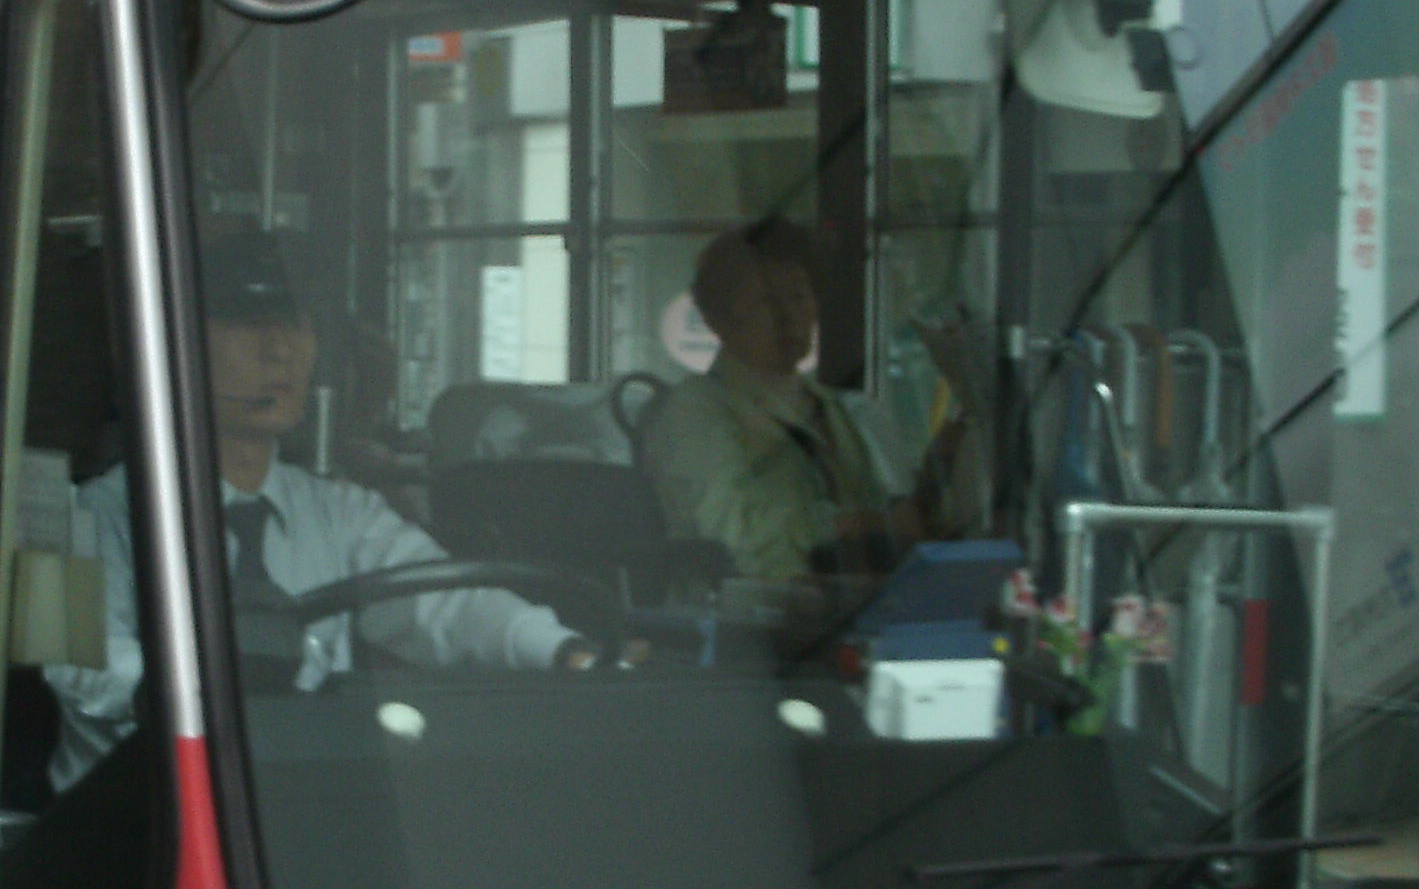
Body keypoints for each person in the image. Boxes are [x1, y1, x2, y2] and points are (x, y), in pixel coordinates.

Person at [46, 236, 593, 792]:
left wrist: (559, 649)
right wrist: (217, 689)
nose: (280, 350)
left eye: (295, 325)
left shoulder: (338, 512)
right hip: (143, 814)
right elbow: (87, 666)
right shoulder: (92, 516)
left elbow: (448, 606)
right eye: (246, 324)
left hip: (299, 804)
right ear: (176, 344)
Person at [640, 217, 908, 587]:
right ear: (719, 318)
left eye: (798, 296)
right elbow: (730, 539)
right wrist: (846, 526)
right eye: (766, 300)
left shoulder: (841, 410)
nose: (788, 316)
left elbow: (884, 522)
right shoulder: (695, 411)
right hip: (744, 626)